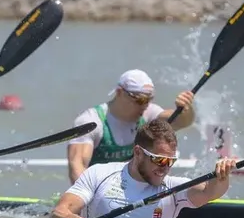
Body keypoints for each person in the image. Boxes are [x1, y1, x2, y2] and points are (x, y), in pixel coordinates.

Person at [50, 120, 236, 218]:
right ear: (138, 152)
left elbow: (209, 192)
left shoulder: (171, 188)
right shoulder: (99, 174)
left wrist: (221, 176)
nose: (165, 168)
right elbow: (57, 214)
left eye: (170, 161)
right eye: (159, 160)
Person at [66, 70, 195, 183]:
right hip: (100, 191)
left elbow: (182, 122)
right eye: (140, 100)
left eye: (149, 100)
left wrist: (186, 109)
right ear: (120, 92)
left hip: (136, 193)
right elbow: (77, 168)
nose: (145, 106)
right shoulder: (91, 121)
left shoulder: (149, 114)